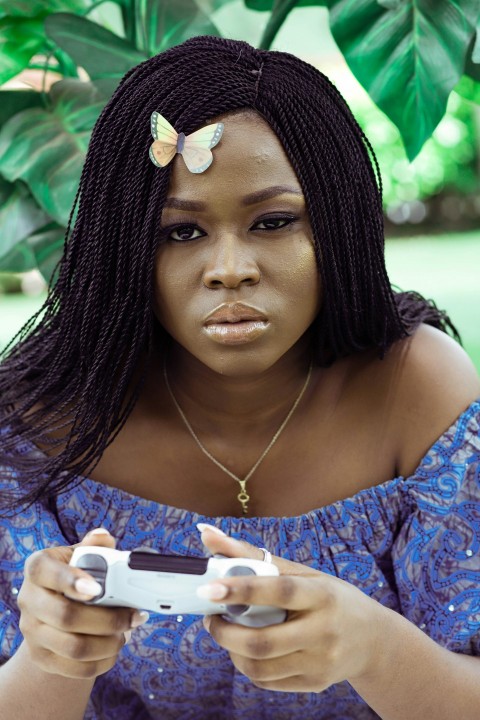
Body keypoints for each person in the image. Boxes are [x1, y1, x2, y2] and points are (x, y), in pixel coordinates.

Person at [0, 34, 479, 720]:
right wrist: (51, 658)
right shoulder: (39, 420)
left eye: (274, 221)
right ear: (125, 246)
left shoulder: (416, 389)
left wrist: (374, 647)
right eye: (181, 232)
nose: (230, 268)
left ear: (338, 226)